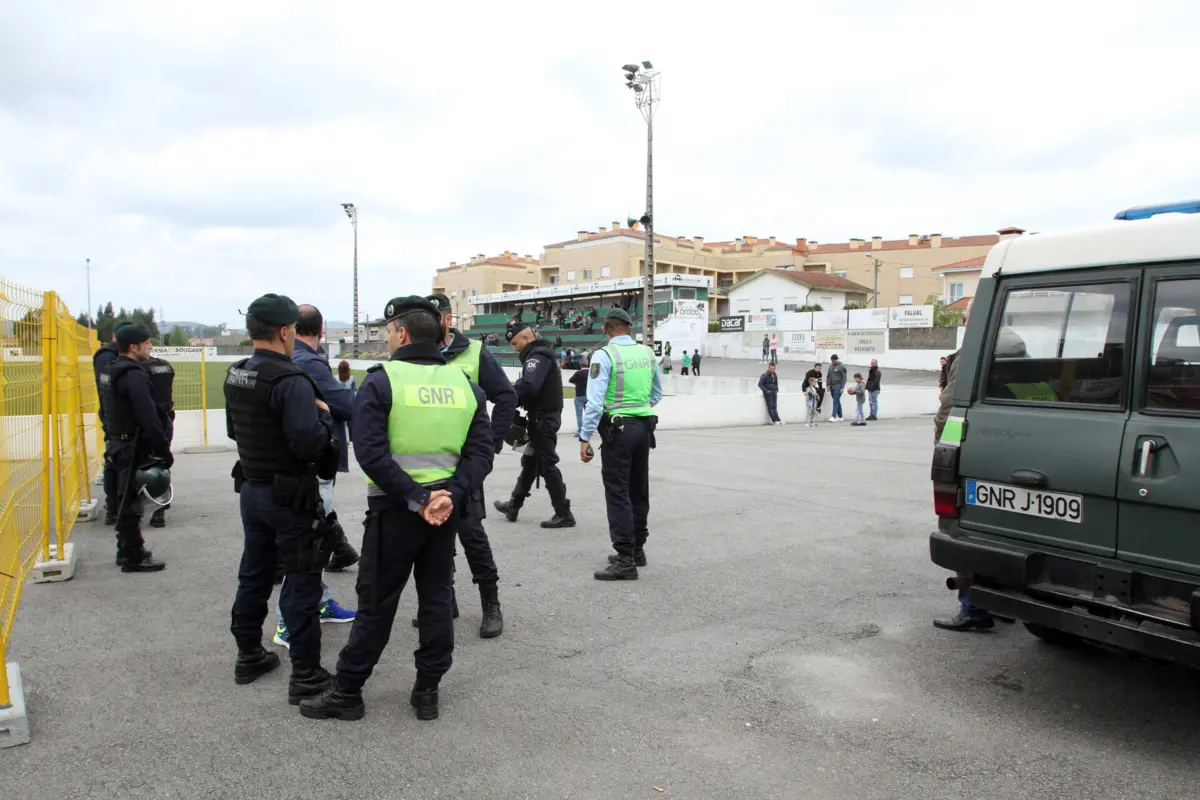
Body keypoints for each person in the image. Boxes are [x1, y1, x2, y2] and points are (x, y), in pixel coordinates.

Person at [299, 296, 495, 722]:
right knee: (436, 600)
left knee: (376, 602)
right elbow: (481, 453)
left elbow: (370, 452)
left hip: (395, 511)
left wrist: (418, 498)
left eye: (388, 331)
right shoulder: (465, 384)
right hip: (444, 512)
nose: (387, 338)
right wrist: (448, 495)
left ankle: (348, 691)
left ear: (402, 333)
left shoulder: (382, 381)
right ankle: (428, 691)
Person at [226, 293, 339, 703]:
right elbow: (309, 445)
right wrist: (324, 416)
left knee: (254, 574)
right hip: (289, 496)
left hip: (252, 487)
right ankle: (306, 674)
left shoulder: (237, 372)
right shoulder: (291, 381)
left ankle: (249, 655)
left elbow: (233, 430)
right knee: (302, 581)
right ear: (285, 331)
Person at [423, 292, 517, 639]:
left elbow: (506, 395)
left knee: (470, 533)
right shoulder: (419, 355)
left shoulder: (474, 352)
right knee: (435, 535)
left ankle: (491, 603)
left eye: (433, 319)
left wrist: (490, 441)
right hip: (429, 459)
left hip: (464, 462)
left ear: (447, 320)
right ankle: (445, 600)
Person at [272, 304, 358, 650]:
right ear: (321, 331)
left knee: (312, 540)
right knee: (308, 545)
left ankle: (319, 602)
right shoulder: (308, 362)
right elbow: (345, 405)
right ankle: (287, 623)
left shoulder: (291, 358)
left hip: (292, 465)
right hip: (311, 465)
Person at [579, 308, 662, 580]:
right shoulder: (647, 353)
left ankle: (625, 560)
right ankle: (637, 550)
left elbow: (594, 403)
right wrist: (637, 410)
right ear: (629, 327)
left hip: (619, 430)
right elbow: (656, 394)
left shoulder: (604, 355)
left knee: (618, 492)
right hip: (644, 427)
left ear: (605, 329)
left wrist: (585, 437)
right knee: (638, 489)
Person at [97, 324, 171, 572]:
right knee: (131, 503)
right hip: (131, 445)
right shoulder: (134, 375)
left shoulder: (109, 370)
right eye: (146, 343)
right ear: (133, 347)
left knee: (123, 498)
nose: (149, 347)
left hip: (116, 441)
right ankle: (133, 555)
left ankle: (126, 549)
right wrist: (162, 450)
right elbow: (148, 417)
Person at [494, 323, 575, 528]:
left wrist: (507, 395)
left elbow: (529, 387)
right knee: (530, 462)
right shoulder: (540, 355)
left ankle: (564, 513)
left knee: (547, 464)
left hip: (543, 419)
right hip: (541, 417)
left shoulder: (538, 357)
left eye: (515, 343)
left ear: (525, 338)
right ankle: (513, 506)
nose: (514, 348)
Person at [94, 319, 132, 525]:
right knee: (115, 462)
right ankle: (114, 506)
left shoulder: (108, 356)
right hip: (114, 416)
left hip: (117, 414)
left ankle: (120, 504)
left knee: (119, 461)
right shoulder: (106, 357)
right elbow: (108, 389)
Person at [142, 353, 176, 528]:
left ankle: (136, 508)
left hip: (144, 422)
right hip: (165, 418)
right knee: (161, 463)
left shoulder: (138, 369)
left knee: (142, 465)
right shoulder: (165, 366)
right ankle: (160, 509)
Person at [827, 354, 848, 422]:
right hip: (832, 386)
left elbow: (844, 378)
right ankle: (840, 416)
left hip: (838, 386)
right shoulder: (830, 366)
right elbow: (828, 376)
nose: (832, 362)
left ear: (836, 359)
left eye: (833, 360)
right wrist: (828, 385)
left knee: (835, 400)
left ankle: (833, 416)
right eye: (831, 360)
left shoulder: (842, 366)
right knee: (837, 401)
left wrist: (842, 387)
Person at [569, 365, 588, 433]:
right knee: (588, 414)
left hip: (579, 395)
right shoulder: (590, 373)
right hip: (588, 396)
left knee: (579, 414)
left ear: (580, 365)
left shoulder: (578, 373)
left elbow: (570, 380)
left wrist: (576, 383)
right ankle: (587, 430)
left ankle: (580, 430)